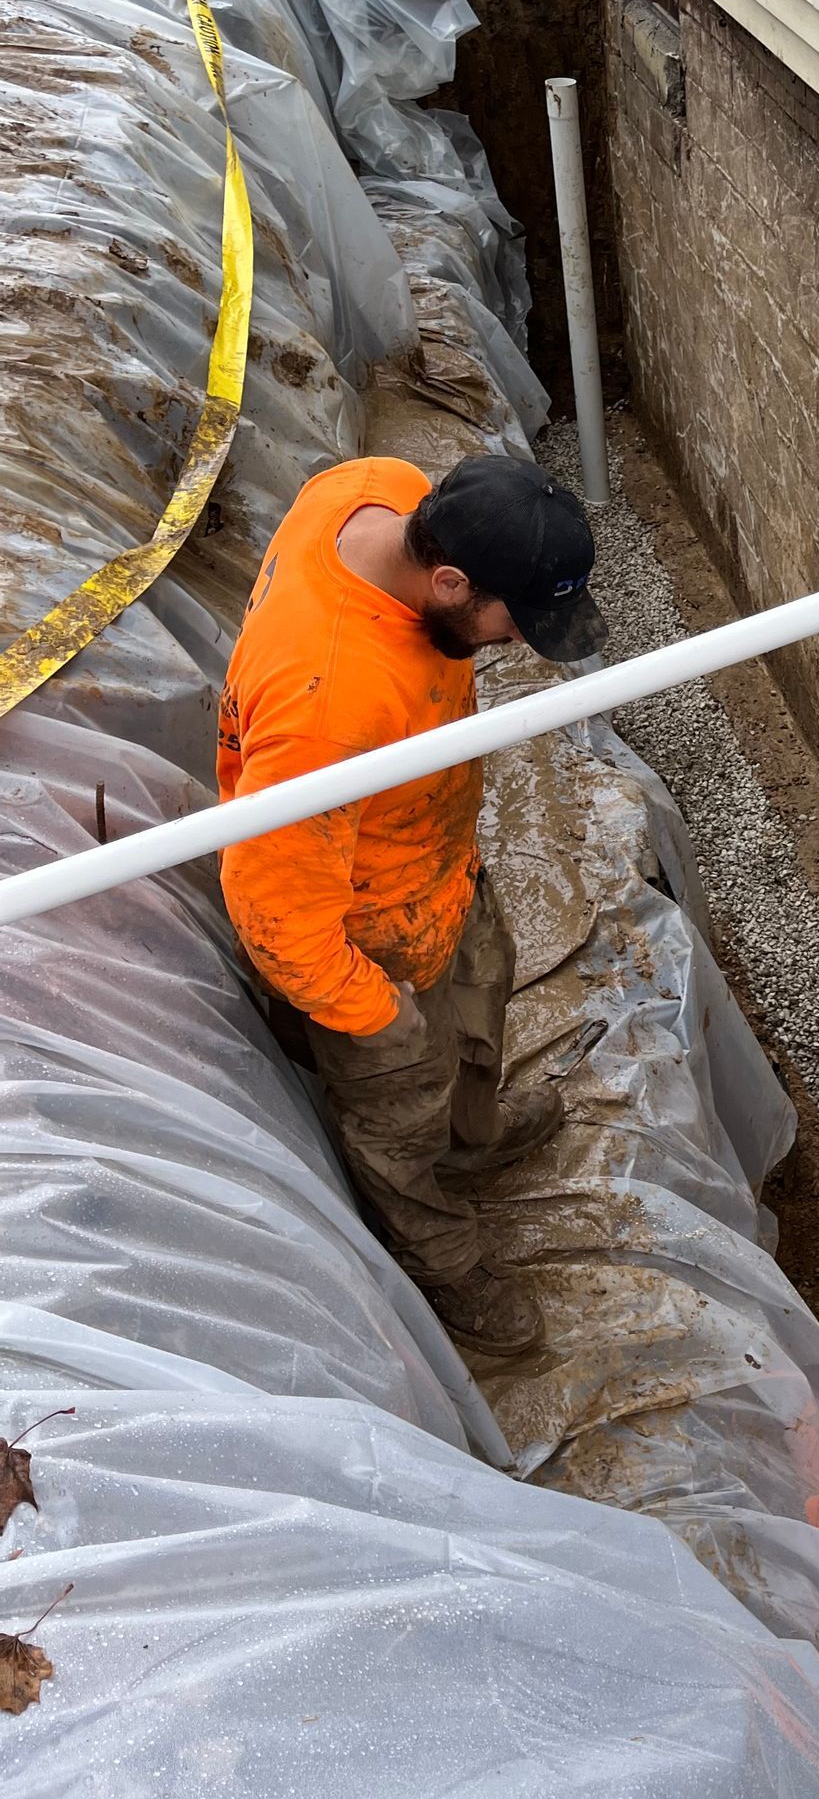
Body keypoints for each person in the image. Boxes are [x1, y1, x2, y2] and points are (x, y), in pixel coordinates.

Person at [217, 452, 605, 1363]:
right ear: (448, 581)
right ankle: (446, 1261)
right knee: (398, 1123)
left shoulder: (376, 489)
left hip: (436, 868)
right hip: (363, 941)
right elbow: (271, 910)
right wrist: (377, 1017)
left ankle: (475, 1138)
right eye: (516, 620)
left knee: (475, 1017)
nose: (516, 641)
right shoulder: (328, 705)